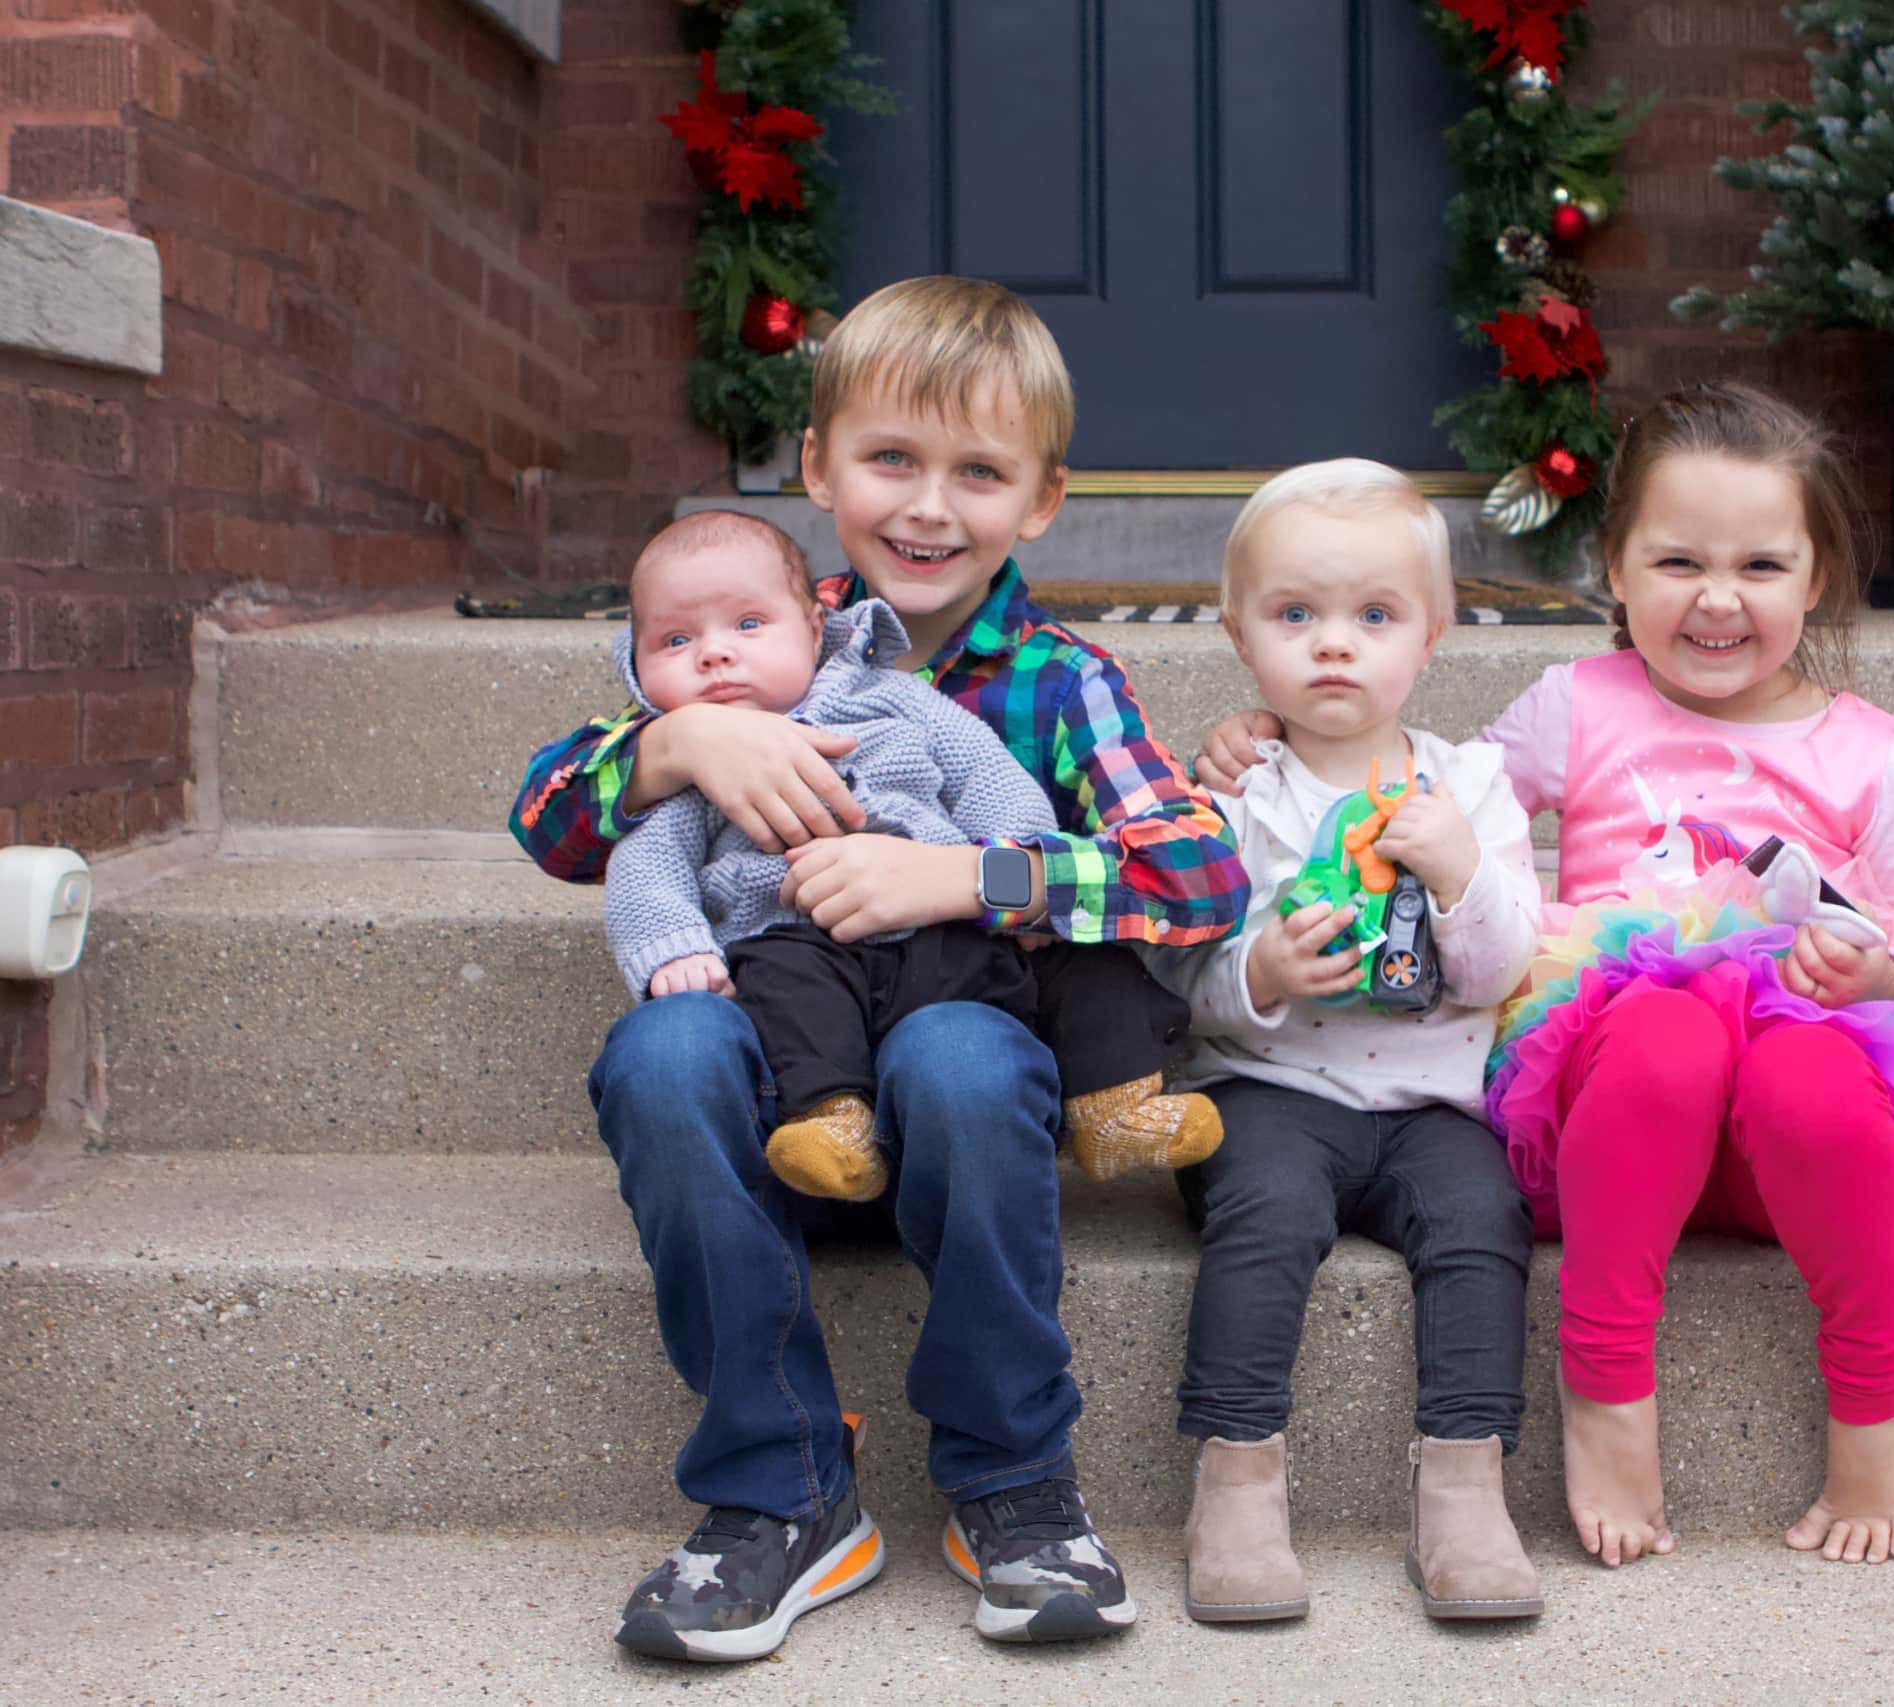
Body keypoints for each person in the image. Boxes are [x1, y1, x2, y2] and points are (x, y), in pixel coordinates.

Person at [1194, 382, 1894, 1573]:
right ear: (1613, 568)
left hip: (1787, 1133)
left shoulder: (1874, 755)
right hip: (1617, 1116)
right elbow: (1421, 795)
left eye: (1760, 565)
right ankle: (1607, 1392)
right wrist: (1273, 741)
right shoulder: (1577, 706)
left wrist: (1884, 974)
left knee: (1806, 1070)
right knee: (1667, 1037)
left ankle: (1873, 1416)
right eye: (1676, 561)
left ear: (1816, 578)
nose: (1715, 598)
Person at [507, 275, 1247, 1657]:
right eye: (891, 458)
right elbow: (549, 817)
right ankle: (779, 1491)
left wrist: (974, 875)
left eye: (979, 473)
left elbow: (1199, 875)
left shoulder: (1058, 676)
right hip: (772, 1099)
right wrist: (676, 746)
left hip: (964, 1091)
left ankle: (1016, 1480)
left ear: (1040, 499)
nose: (926, 505)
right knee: (661, 1053)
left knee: (962, 1056)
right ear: (817, 466)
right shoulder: (745, 628)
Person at [1159, 461, 1545, 1625]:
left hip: (1432, 1105)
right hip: (1270, 1088)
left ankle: (1465, 1489)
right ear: (1238, 636)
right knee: (1267, 1214)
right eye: (1295, 617)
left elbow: (1503, 967)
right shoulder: (1230, 799)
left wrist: (1462, 872)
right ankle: (1235, 1482)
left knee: (1483, 1221)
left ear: (1432, 634)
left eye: (1373, 617)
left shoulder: (1472, 787)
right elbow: (1172, 974)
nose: (1335, 646)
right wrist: (1259, 974)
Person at [602, 510, 1220, 1200]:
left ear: (814, 627)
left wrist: (997, 870)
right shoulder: (686, 762)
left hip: (949, 930)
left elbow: (987, 777)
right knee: (778, 982)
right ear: (637, 665)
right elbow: (641, 864)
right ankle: (833, 1120)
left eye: (747, 626)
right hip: (802, 935)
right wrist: (671, 946)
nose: (713, 654)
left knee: (1083, 951)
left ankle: (1115, 1107)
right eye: (676, 640)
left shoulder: (896, 697)